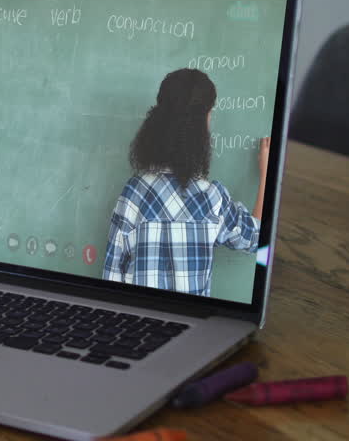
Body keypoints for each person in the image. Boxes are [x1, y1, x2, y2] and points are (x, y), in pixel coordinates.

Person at [101, 68, 269, 297]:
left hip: (135, 325)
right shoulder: (212, 200)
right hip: (192, 327)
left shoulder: (134, 193)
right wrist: (266, 175)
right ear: (203, 125)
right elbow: (261, 243)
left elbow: (110, 278)